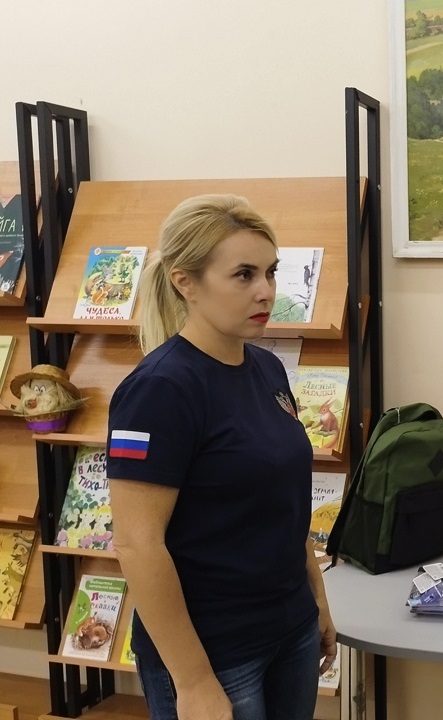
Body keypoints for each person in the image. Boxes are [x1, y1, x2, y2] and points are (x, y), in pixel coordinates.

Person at [106, 194, 336, 720]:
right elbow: (137, 543)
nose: (266, 291)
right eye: (244, 275)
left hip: (290, 629)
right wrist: (192, 681)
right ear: (185, 282)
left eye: (271, 272)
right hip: (215, 652)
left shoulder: (266, 369)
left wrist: (316, 599)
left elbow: (283, 502)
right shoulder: (158, 389)